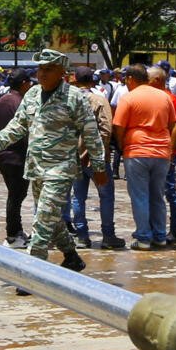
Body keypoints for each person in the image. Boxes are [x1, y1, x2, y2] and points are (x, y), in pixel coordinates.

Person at [0, 49, 107, 293]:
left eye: (48, 69)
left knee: (42, 220)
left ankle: (33, 274)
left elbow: (91, 133)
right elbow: (17, 127)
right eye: (40, 69)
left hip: (61, 169)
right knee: (52, 219)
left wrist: (99, 167)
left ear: (62, 73)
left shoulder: (74, 97)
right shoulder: (33, 95)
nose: (42, 74)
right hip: (36, 168)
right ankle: (71, 256)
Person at [113, 64, 176, 251]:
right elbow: (173, 124)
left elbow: (118, 126)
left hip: (137, 151)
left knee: (140, 196)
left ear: (131, 79)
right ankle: (160, 236)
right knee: (158, 195)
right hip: (162, 152)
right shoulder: (165, 97)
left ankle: (143, 238)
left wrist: (122, 144)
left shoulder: (128, 98)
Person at [66, 66, 123, 249]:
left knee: (78, 197)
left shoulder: (68, 100)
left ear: (75, 79)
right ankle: (108, 236)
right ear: (92, 81)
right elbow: (106, 129)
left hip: (74, 157)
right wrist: (102, 153)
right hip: (95, 158)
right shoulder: (98, 99)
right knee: (106, 196)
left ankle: (82, 236)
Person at [0, 70, 33, 248]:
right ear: (23, 83)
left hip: (2, 154)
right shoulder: (20, 103)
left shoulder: (1, 100)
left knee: (15, 195)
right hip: (16, 155)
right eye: (29, 83)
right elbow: (23, 131)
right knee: (16, 196)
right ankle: (13, 235)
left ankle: (17, 230)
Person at [150, 66, 176, 245]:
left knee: (170, 192)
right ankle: (155, 228)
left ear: (157, 80)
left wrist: (170, 151)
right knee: (156, 192)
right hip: (155, 152)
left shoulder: (170, 98)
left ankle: (175, 230)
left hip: (166, 153)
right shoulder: (156, 97)